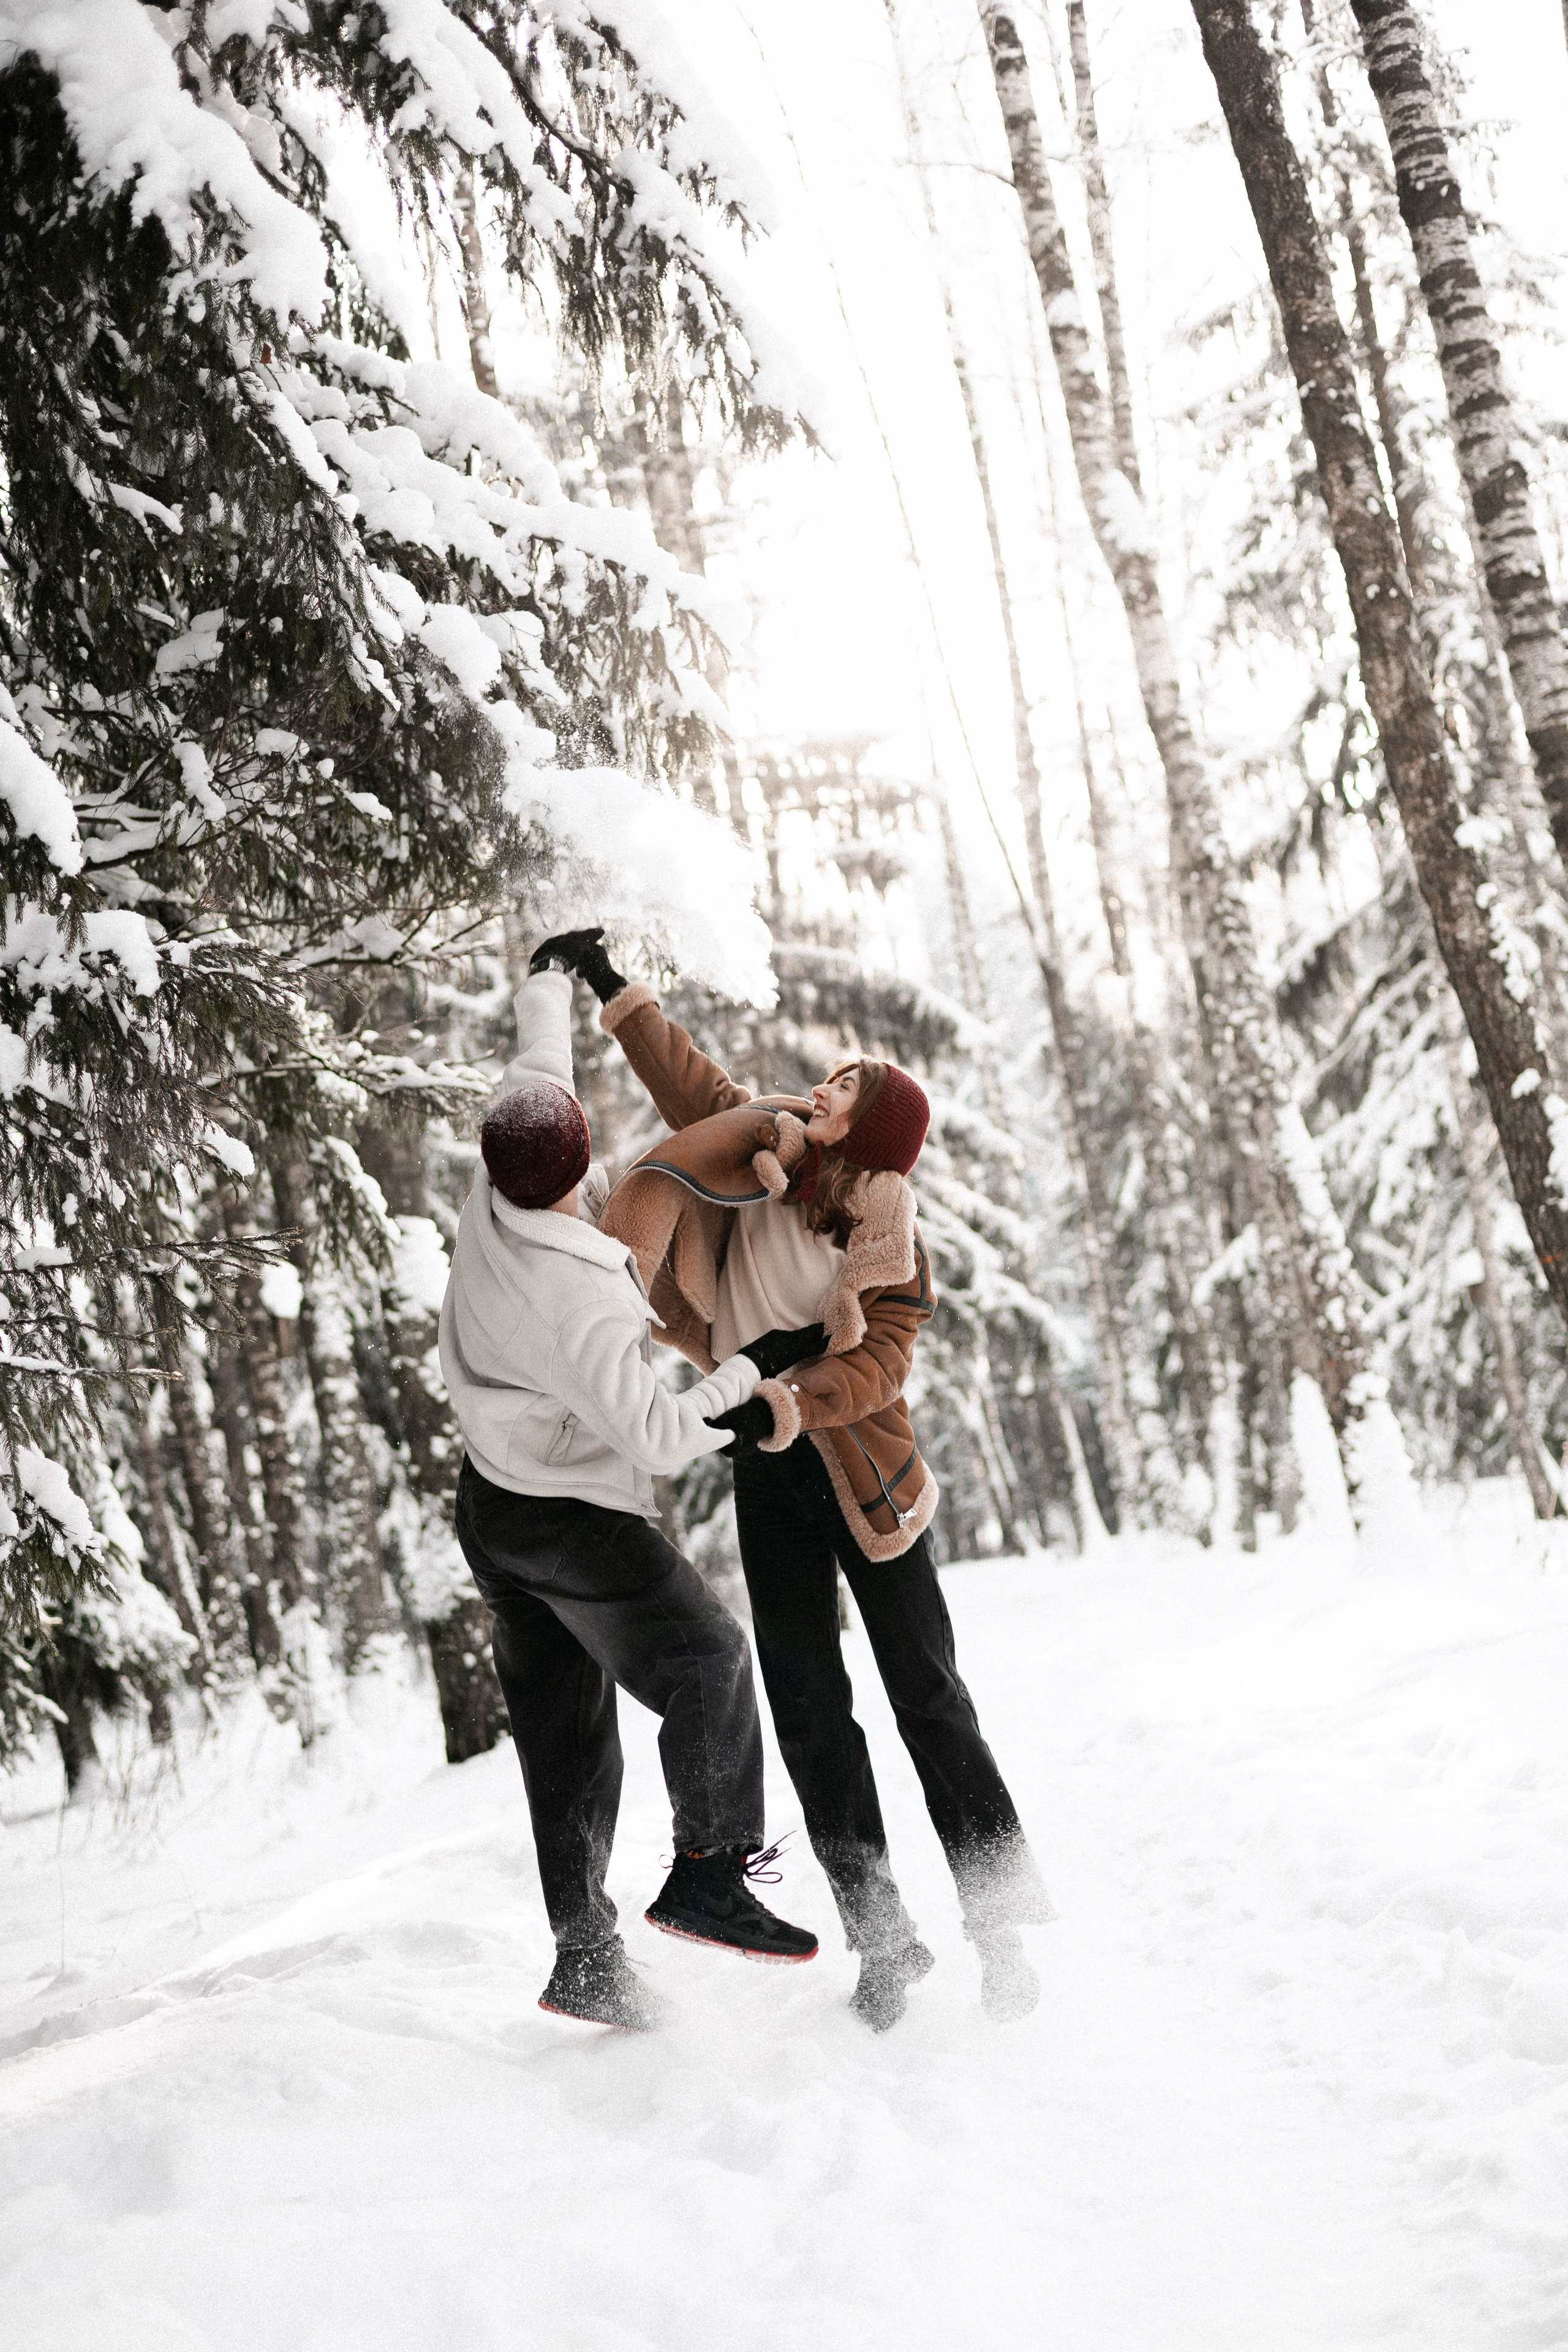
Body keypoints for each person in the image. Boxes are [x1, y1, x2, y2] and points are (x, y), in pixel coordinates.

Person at [535, 929, 1051, 2032]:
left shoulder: (887, 1240)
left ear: (870, 1129)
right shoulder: (760, 1152)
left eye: (844, 1086)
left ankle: (999, 1921)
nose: (821, 1086)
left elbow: (881, 1364)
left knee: (929, 1697)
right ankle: (881, 1935)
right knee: (811, 1708)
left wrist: (790, 1398)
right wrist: (613, 988)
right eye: (830, 1078)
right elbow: (693, 1090)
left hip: (867, 1478)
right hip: (765, 1471)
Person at [438, 952, 825, 2030]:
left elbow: (535, 1062)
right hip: (571, 1521)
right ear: (583, 1159)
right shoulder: (577, 1298)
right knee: (708, 1656)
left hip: (491, 1510)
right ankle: (709, 1870)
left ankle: (586, 1958)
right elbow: (656, 1434)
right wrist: (758, 1367)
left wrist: (553, 980)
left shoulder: (494, 1182)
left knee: (564, 1730)